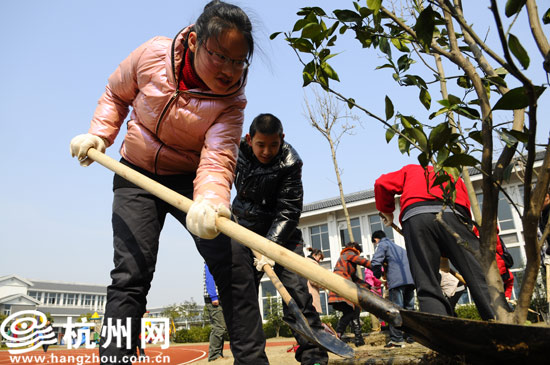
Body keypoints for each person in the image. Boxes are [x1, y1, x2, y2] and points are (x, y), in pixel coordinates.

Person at [69, 2, 267, 364]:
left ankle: (252, 360)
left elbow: (218, 157)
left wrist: (208, 202)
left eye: (238, 61)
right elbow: (116, 94)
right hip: (136, 173)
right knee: (130, 273)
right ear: (194, 41)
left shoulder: (232, 102)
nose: (229, 70)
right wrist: (99, 136)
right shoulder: (152, 55)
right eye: (220, 56)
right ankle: (116, 359)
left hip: (191, 182)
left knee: (235, 264)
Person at [231, 113, 329, 365]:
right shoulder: (235, 149)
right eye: (260, 145)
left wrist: (269, 246)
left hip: (282, 234)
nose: (266, 151)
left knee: (298, 294)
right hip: (242, 229)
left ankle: (314, 356)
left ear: (281, 139)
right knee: (242, 298)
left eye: (273, 145)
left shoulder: (290, 163)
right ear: (249, 139)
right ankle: (250, 360)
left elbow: (289, 211)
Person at [374, 164, 495, 320]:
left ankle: (441, 334)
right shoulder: (453, 173)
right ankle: (498, 321)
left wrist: (387, 211)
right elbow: (465, 207)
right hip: (452, 214)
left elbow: (381, 183)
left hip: (416, 218)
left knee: (427, 282)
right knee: (479, 275)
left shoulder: (411, 169)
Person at [370, 230, 415, 347]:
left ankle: (396, 339)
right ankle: (411, 336)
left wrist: (377, 275)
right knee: (409, 310)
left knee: (395, 310)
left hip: (397, 282)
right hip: (410, 281)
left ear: (376, 239)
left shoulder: (383, 244)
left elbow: (375, 262)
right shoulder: (400, 248)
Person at [328, 241, 369, 347]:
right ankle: (339, 335)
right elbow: (362, 261)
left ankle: (356, 338)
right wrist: (375, 266)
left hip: (342, 284)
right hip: (341, 284)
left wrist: (368, 286)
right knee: (351, 311)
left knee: (352, 311)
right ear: (354, 248)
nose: (358, 254)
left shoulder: (345, 259)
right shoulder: (349, 253)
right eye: (358, 252)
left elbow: (354, 278)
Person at [204, 262, 227, 362]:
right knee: (219, 327)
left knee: (222, 327)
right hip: (213, 298)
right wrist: (213, 296)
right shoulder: (209, 261)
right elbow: (209, 280)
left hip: (219, 297)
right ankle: (214, 356)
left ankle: (218, 354)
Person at [363, 265, 382, 332]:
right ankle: (376, 328)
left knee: (381, 312)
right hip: (372, 293)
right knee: (374, 312)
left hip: (379, 292)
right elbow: (370, 285)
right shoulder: (369, 272)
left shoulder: (381, 269)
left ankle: (381, 327)